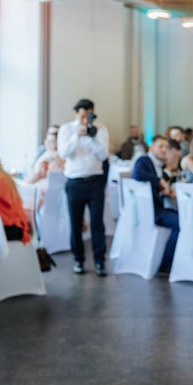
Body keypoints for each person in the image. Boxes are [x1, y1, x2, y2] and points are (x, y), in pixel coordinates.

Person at [58, 98, 110, 277]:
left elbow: (103, 156)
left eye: (88, 115)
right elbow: (63, 153)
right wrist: (76, 136)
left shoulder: (100, 130)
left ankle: (99, 261)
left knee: (97, 224)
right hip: (75, 182)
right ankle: (78, 260)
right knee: (76, 223)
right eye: (82, 116)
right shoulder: (66, 129)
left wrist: (92, 137)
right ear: (75, 113)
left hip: (95, 181)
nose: (85, 119)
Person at [132, 135, 180, 274]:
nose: (164, 150)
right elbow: (137, 174)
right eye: (161, 146)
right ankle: (166, 264)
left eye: (166, 147)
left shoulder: (159, 164)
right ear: (151, 147)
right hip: (150, 211)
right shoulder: (144, 161)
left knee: (184, 217)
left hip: (158, 207)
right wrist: (159, 181)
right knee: (181, 222)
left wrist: (164, 186)